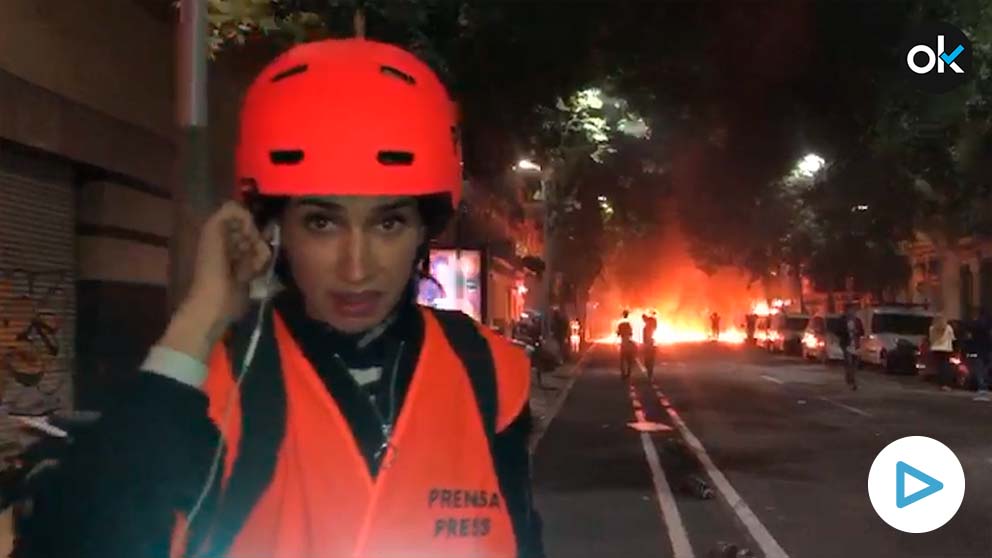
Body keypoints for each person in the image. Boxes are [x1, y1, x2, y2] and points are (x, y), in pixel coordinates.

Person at [26, 38, 545, 558]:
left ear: (422, 231)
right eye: (322, 222)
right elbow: (75, 539)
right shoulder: (217, 383)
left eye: (388, 222)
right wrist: (199, 319)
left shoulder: (486, 374)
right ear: (276, 231)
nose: (356, 267)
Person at [929, 314, 956, 392]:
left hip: (936, 349)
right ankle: (946, 384)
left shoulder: (932, 328)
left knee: (939, 367)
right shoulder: (948, 328)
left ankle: (940, 384)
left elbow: (931, 339)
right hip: (946, 349)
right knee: (946, 367)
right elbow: (953, 338)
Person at [839, 307, 863, 391]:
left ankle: (852, 377)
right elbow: (839, 331)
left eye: (853, 312)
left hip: (855, 344)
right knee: (849, 361)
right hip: (846, 344)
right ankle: (850, 379)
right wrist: (847, 332)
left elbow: (862, 331)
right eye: (850, 311)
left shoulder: (858, 321)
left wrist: (857, 332)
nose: (852, 313)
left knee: (855, 362)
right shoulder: (843, 320)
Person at [617, 310, 636, 379]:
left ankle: (623, 373)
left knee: (622, 359)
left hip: (623, 344)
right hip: (628, 343)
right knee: (629, 359)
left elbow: (618, 333)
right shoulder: (629, 323)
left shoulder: (620, 323)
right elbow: (631, 333)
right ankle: (628, 373)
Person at [641, 311, 658, 380]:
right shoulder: (647, 327)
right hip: (650, 344)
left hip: (649, 345)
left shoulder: (648, 326)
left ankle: (650, 373)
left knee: (648, 360)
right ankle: (650, 373)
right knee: (649, 360)